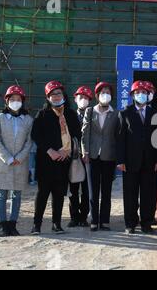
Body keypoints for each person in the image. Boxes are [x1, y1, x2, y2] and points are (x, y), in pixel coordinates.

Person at [31, 81, 81, 235]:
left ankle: (56, 224)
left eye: (58, 93)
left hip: (64, 161)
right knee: (42, 194)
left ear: (64, 95)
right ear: (48, 97)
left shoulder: (71, 114)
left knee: (59, 194)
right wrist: (49, 150)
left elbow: (77, 135)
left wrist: (68, 151)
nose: (56, 96)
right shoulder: (42, 114)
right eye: (52, 94)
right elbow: (36, 135)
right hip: (46, 161)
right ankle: (36, 225)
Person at [117, 81, 157, 234]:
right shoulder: (125, 113)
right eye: (137, 93)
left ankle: (146, 222)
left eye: (144, 92)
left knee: (148, 194)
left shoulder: (156, 113)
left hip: (150, 161)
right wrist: (120, 160)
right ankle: (130, 223)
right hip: (130, 162)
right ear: (132, 95)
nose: (141, 95)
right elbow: (120, 139)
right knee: (130, 193)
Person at [0, 85, 33, 237]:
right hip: (3, 162)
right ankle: (3, 225)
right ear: (7, 101)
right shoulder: (0, 118)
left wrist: (20, 157)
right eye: (12, 99)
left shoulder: (28, 120)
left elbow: (29, 141)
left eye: (18, 99)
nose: (15, 102)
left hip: (20, 163)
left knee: (17, 195)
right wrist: (7, 157)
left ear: (22, 101)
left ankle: (13, 224)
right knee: (2, 195)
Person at [81, 81, 119, 232]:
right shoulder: (90, 111)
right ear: (97, 95)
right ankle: (94, 220)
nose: (105, 95)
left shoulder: (116, 114)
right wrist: (85, 152)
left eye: (108, 92)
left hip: (109, 157)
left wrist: (118, 157)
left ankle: (105, 221)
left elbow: (117, 136)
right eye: (102, 92)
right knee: (93, 190)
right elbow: (85, 133)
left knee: (107, 191)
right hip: (92, 157)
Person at [67, 86, 93, 228]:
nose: (83, 100)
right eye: (80, 97)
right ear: (75, 99)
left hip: (88, 157)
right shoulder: (70, 115)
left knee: (86, 189)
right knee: (73, 188)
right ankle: (74, 217)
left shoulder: (93, 114)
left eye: (86, 98)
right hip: (73, 157)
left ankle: (83, 217)